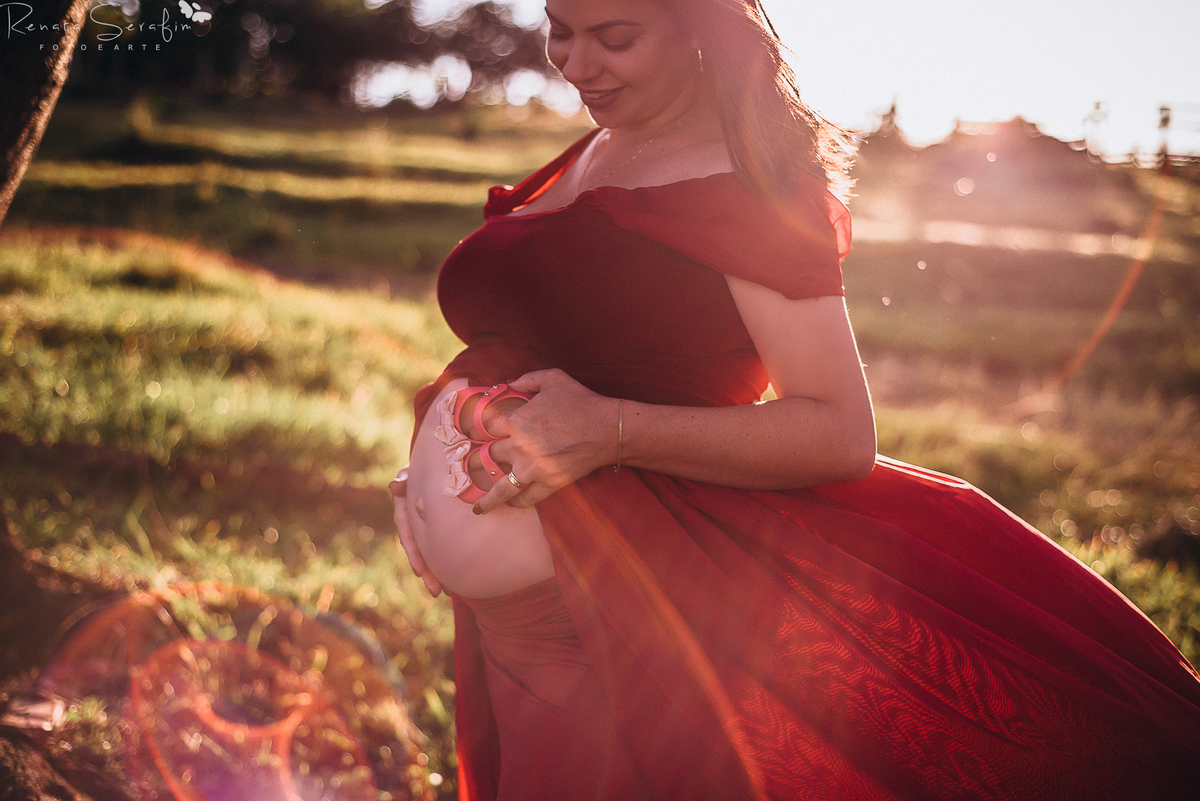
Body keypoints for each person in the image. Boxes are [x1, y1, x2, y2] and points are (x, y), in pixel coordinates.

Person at [390, 0, 1200, 798]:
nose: (576, 62)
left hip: (623, 611)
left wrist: (611, 428)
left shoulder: (749, 189)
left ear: (701, 31)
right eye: (561, 31)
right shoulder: (600, 144)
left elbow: (838, 429)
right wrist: (431, 468)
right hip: (525, 615)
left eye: (615, 38)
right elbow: (533, 335)